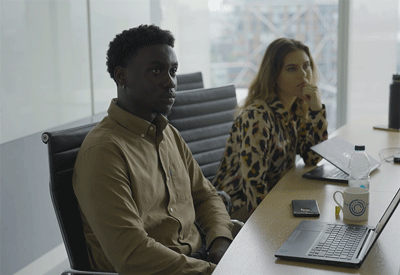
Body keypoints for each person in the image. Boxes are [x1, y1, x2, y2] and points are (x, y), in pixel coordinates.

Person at [72, 24, 233, 275]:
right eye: (156, 71)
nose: (170, 82)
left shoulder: (169, 133)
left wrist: (220, 242)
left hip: (198, 261)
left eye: (173, 71)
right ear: (121, 76)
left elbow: (205, 196)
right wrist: (212, 271)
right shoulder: (104, 152)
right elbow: (133, 255)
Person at [212, 37, 329, 222]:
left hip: (274, 196)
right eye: (292, 69)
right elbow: (254, 189)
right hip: (236, 208)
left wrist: (316, 110)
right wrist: (276, 227)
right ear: (274, 75)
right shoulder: (257, 117)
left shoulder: (296, 108)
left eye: (306, 66)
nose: (303, 75)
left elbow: (312, 157)